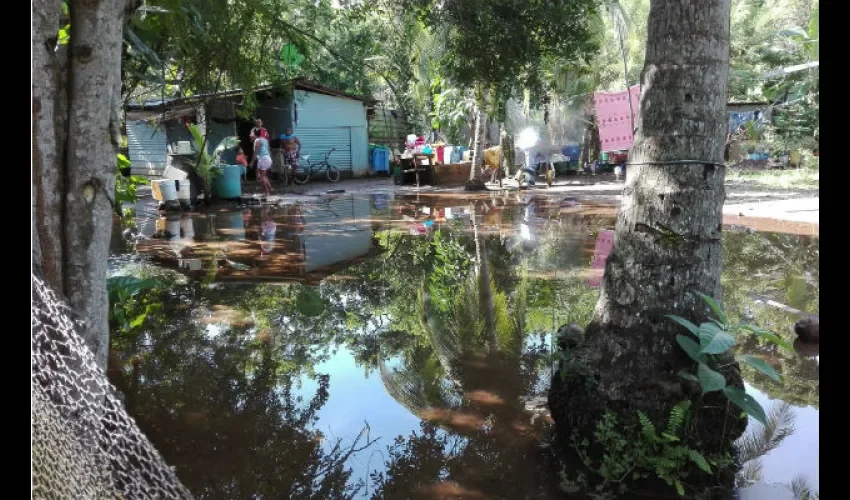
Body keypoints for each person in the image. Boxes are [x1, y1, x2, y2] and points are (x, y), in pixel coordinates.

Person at [250, 129, 273, 197]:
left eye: (252, 134)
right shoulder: (265, 140)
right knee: (264, 175)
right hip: (267, 157)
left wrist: (252, 162)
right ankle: (270, 189)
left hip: (263, 158)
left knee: (262, 176)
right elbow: (268, 149)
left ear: (255, 134)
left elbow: (255, 153)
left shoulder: (257, 141)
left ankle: (266, 192)